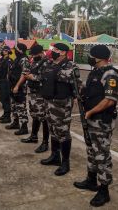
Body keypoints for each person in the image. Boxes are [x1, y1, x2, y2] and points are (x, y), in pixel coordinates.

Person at [73, 45, 118, 207]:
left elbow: (109, 100)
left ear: (99, 57)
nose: (89, 57)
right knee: (91, 150)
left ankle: (104, 190)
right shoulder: (95, 72)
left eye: (91, 55)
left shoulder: (111, 74)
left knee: (102, 155)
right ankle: (91, 180)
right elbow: (89, 91)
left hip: (101, 121)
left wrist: (90, 112)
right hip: (91, 119)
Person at [40, 43, 78, 176]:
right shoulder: (50, 64)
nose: (53, 51)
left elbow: (73, 84)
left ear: (63, 52)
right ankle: (55, 156)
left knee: (63, 132)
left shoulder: (71, 66)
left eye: (55, 50)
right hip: (49, 102)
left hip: (62, 104)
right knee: (52, 130)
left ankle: (65, 162)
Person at [22, 44, 50, 153]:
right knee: (34, 115)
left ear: (40, 53)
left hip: (41, 94)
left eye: (34, 54)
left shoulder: (47, 62)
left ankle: (45, 143)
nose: (33, 56)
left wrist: (32, 77)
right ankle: (33, 136)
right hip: (33, 92)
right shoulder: (34, 61)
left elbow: (46, 77)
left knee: (44, 118)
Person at [6, 43, 30, 135]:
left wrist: (17, 86)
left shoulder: (24, 59)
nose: (14, 50)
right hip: (13, 85)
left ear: (20, 50)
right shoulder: (17, 59)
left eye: (16, 49)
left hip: (19, 87)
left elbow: (24, 74)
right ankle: (16, 123)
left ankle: (24, 127)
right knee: (14, 106)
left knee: (21, 107)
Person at [0, 46, 12, 123]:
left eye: (5, 50)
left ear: (8, 51)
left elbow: (9, 73)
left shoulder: (9, 60)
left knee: (6, 99)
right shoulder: (2, 59)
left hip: (5, 82)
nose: (4, 52)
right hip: (0, 81)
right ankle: (5, 114)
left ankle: (7, 116)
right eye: (3, 50)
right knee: (2, 99)